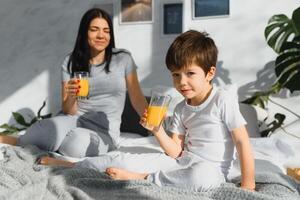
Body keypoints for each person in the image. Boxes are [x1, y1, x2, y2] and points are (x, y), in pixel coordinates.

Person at [34, 30, 255, 192]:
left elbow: (242, 142)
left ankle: (143, 178)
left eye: (190, 74)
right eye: (176, 75)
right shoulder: (180, 108)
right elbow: (175, 152)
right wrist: (157, 131)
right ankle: (72, 164)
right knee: (121, 158)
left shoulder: (222, 100)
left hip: (211, 170)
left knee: (202, 176)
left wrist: (248, 184)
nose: (182, 82)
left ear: (209, 73)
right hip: (180, 163)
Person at [0, 8, 147, 159]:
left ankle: (54, 149)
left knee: (75, 144)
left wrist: (155, 127)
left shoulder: (123, 59)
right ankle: (16, 140)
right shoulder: (70, 61)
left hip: (103, 130)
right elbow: (69, 111)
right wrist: (71, 95)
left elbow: (137, 98)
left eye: (106, 30)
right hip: (72, 119)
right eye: (94, 29)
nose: (101, 35)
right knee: (46, 130)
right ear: (85, 33)